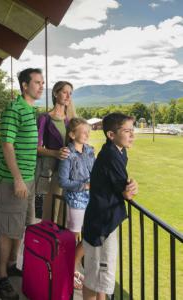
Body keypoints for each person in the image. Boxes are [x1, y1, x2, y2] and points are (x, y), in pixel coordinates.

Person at [0, 68, 44, 300]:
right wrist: (17, 179)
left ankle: (12, 264)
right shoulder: (14, 109)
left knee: (21, 226)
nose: (41, 86)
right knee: (7, 230)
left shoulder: (30, 110)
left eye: (43, 82)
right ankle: (1, 277)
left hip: (28, 179)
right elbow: (7, 145)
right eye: (37, 82)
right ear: (25, 85)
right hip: (13, 180)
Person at [82, 112, 138, 300]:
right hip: (102, 224)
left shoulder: (118, 152)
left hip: (102, 221)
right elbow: (126, 192)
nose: (132, 135)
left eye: (133, 130)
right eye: (127, 131)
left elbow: (123, 185)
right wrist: (130, 188)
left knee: (100, 278)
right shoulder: (111, 156)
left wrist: (129, 185)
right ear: (111, 135)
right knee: (95, 278)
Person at [58, 118, 95, 290]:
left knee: (89, 235)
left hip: (91, 198)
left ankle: (71, 268)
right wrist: (84, 185)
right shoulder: (67, 154)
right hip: (76, 200)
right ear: (73, 134)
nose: (87, 134)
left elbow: (94, 172)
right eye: (84, 131)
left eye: (88, 131)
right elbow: (63, 181)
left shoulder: (89, 150)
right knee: (73, 237)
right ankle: (67, 271)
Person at [37, 81, 77, 224]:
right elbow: (37, 148)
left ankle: (65, 245)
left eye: (70, 93)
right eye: (65, 92)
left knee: (69, 216)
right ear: (55, 93)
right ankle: (49, 243)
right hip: (54, 172)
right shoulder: (44, 118)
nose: (68, 96)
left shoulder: (71, 119)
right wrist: (56, 153)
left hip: (73, 173)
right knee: (52, 213)